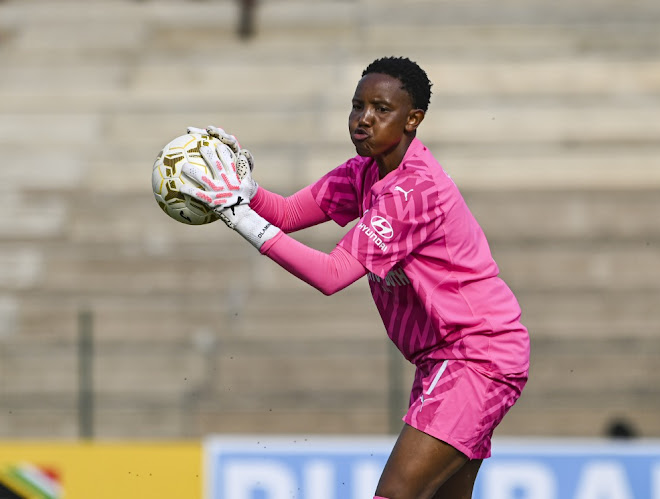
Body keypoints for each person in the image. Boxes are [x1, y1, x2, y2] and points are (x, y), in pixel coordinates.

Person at [180, 56, 530, 498]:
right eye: (357, 105)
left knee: (394, 494)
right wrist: (244, 191)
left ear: (413, 119)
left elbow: (332, 274)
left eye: (381, 109)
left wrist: (239, 218)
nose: (364, 120)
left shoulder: (413, 191)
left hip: (477, 356)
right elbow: (287, 213)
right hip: (447, 360)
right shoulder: (364, 172)